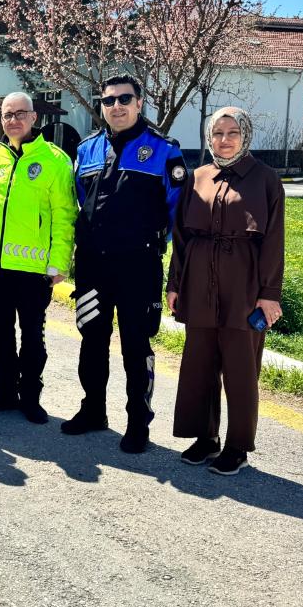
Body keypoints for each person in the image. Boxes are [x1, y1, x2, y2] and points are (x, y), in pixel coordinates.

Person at [65, 74, 186, 453]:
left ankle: (138, 423)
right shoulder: (86, 150)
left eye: (124, 99)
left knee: (136, 345)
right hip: (92, 267)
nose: (116, 106)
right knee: (92, 340)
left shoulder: (164, 151)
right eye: (108, 100)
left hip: (139, 268)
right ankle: (93, 410)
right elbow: (81, 201)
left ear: (139, 103)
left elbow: (177, 213)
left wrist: (147, 243)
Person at [167, 106, 284, 476]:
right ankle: (205, 436)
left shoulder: (265, 179)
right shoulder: (198, 176)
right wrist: (174, 285)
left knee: (240, 368)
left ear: (245, 135)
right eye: (217, 133)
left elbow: (274, 241)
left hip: (244, 285)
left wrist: (269, 293)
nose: (224, 139)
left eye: (232, 132)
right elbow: (182, 239)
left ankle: (237, 445)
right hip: (199, 280)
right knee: (199, 364)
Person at [0, 92, 77, 424]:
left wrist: (59, 260)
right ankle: (4, 391)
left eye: (20, 114)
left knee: (32, 337)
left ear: (34, 118)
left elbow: (64, 214)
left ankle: (30, 397)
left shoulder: (54, 160)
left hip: (33, 270)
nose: (13, 120)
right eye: (6, 115)